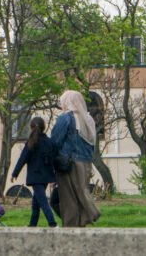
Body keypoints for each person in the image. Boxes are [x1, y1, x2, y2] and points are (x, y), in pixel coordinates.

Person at [50, 90, 101, 227]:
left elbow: (55, 141)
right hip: (86, 162)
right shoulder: (88, 119)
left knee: (68, 197)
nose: (62, 105)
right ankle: (82, 221)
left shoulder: (65, 118)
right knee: (81, 191)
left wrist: (52, 159)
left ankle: (75, 222)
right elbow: (92, 144)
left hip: (69, 163)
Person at [10, 116, 58, 228]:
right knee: (36, 203)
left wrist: (14, 173)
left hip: (35, 178)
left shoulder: (31, 143)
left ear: (31, 128)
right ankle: (32, 225)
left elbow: (23, 159)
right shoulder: (49, 142)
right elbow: (55, 158)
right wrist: (55, 176)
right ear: (43, 128)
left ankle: (53, 224)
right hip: (46, 177)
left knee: (43, 201)